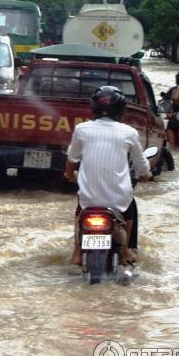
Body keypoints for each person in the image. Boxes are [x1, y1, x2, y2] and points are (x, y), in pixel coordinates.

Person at [63, 86, 152, 266]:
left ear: (94, 107)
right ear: (121, 109)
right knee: (130, 207)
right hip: (118, 198)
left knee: (80, 209)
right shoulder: (129, 132)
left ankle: (77, 252)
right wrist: (146, 174)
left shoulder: (82, 129)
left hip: (89, 198)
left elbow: (72, 158)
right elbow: (142, 166)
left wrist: (69, 174)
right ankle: (126, 251)